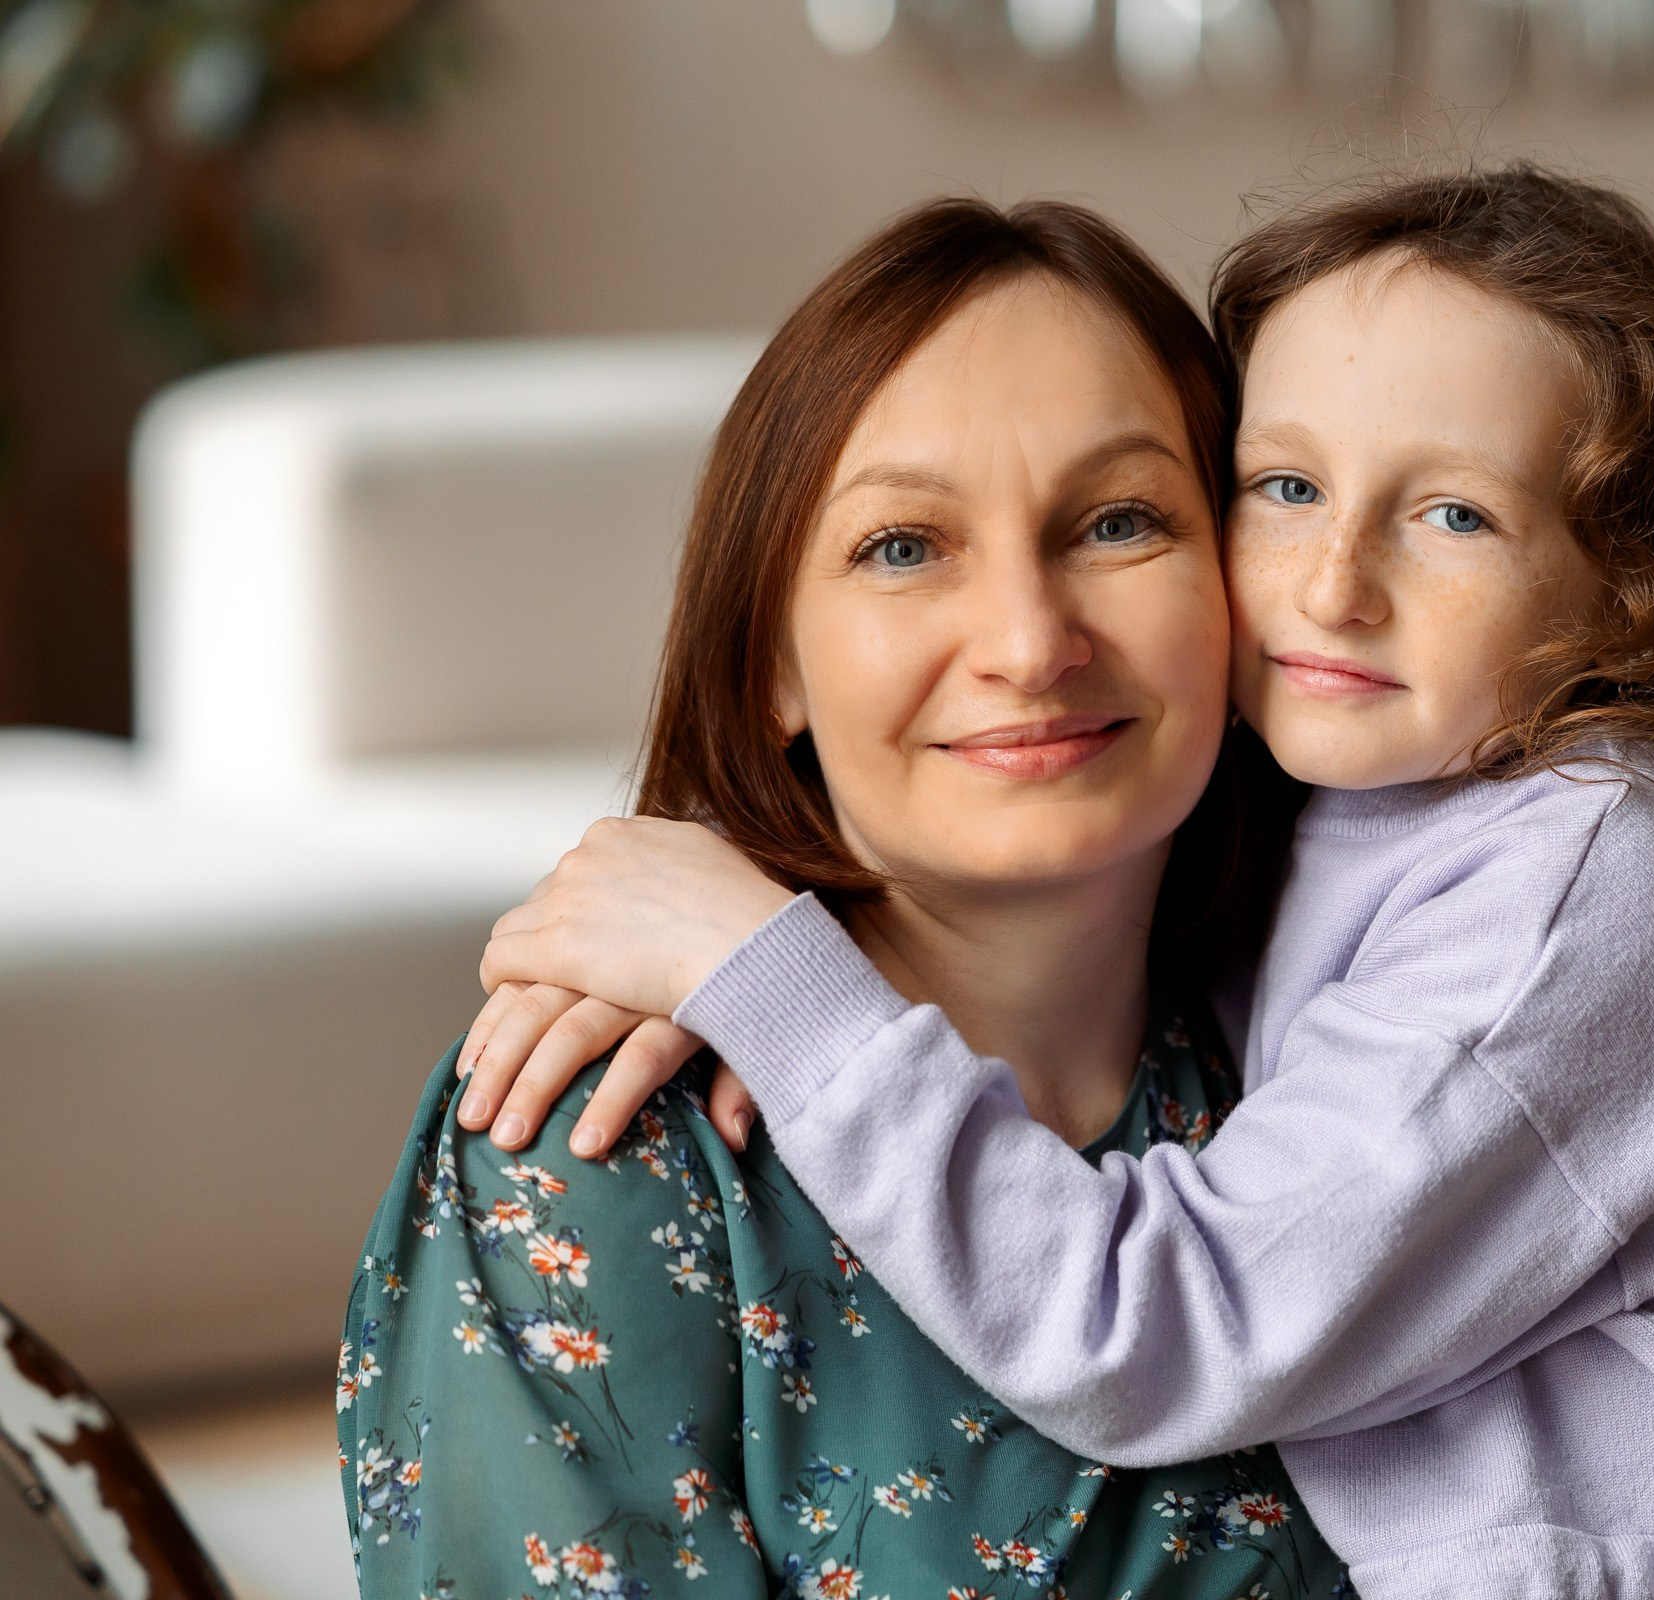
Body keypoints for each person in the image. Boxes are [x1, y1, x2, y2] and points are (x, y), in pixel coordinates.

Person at [461, 168, 1654, 1600]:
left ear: (1632, 598)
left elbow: (1164, 1324)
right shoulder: (1336, 809)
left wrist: (764, 970)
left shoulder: (1592, 873)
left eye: (1453, 513)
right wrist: (699, 939)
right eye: (1284, 487)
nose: (1332, 584)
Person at [338, 197, 1353, 1600]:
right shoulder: (604, 1141)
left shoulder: (1354, 1068)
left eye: (1119, 521)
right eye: (903, 546)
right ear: (774, 665)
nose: (1027, 641)